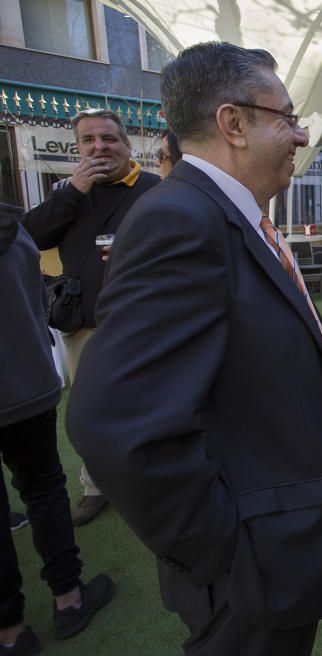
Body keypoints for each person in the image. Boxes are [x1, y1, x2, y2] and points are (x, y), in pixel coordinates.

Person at [65, 42, 322, 656]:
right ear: (233, 124)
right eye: (286, 117)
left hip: (279, 539)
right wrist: (225, 552)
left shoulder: (229, 215)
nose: (301, 134)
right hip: (248, 570)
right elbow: (113, 425)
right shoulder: (180, 220)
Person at [22, 108, 159, 527]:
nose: (99, 147)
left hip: (143, 324)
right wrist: (74, 192)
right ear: (78, 147)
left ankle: (150, 483)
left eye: (109, 138)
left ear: (126, 144)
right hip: (82, 324)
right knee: (89, 412)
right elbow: (30, 237)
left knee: (149, 407)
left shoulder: (154, 189)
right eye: (89, 140)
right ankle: (96, 487)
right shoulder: (69, 191)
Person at [1, 202, 113, 656]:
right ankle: (68, 600)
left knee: (42, 492)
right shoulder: (15, 229)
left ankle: (9, 630)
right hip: (25, 384)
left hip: (26, 385)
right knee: (45, 490)